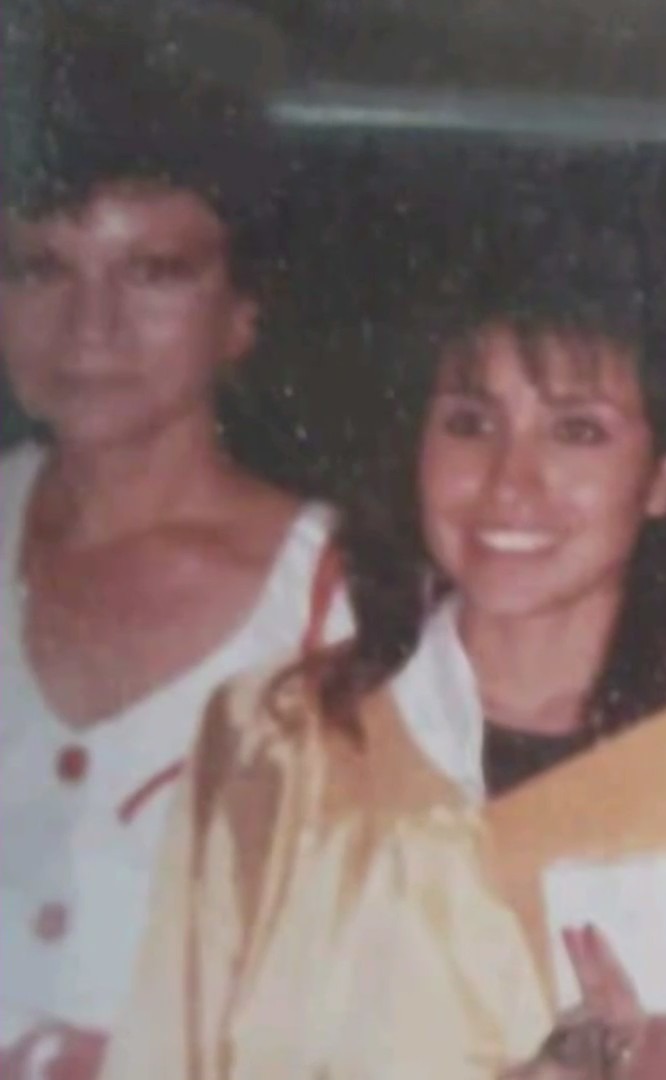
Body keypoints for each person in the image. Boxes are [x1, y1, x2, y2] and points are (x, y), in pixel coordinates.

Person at [103, 229, 666, 1079]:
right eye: (471, 423)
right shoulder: (285, 742)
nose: (511, 481)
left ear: (663, 480)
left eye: (577, 431)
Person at [0, 21, 341, 1079]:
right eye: (39, 268)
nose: (88, 328)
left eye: (153, 272)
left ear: (242, 313)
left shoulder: (339, 602)